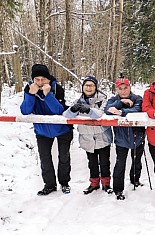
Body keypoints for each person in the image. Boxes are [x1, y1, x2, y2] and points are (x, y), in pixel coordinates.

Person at [20, 64, 73, 195]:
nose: (40, 82)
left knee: (64, 157)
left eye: (43, 79)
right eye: (36, 79)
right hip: (42, 130)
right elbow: (25, 111)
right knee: (45, 158)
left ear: (48, 79)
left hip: (62, 129)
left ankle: (64, 183)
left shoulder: (56, 88)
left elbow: (59, 111)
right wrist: (30, 95)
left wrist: (48, 95)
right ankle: (49, 185)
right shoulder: (29, 89)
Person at [63, 76, 113, 195]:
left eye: (91, 85)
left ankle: (106, 183)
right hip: (86, 137)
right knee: (92, 163)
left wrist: (89, 110)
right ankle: (94, 183)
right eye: (86, 85)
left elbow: (100, 114)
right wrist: (73, 109)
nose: (89, 87)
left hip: (102, 136)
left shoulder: (103, 99)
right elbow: (66, 115)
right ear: (83, 87)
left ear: (96, 87)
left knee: (105, 162)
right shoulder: (78, 101)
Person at [104, 77, 145, 200]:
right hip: (121, 139)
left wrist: (121, 112)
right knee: (120, 163)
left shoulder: (137, 98)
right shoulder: (113, 99)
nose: (123, 91)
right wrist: (121, 102)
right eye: (120, 89)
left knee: (137, 161)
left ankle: (135, 180)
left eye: (125, 88)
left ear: (130, 87)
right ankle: (118, 189)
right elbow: (107, 109)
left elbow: (137, 110)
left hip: (137, 137)